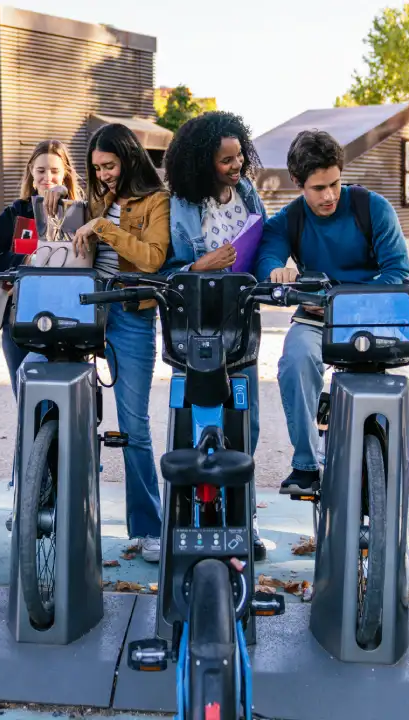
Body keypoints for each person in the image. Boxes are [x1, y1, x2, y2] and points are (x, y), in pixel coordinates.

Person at [254, 129, 409, 594]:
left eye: (335, 183)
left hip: (373, 321)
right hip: (317, 321)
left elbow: (398, 269)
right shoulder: (288, 221)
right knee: (294, 358)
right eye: (318, 187)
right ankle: (305, 462)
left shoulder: (371, 207)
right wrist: (280, 272)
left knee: (397, 437)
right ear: (297, 182)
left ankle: (406, 547)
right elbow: (268, 263)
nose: (330, 195)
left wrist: (342, 293)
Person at [41, 122, 169, 562]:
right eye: (96, 168)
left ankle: (149, 528)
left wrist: (105, 228)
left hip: (131, 315)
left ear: (129, 159)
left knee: (134, 424)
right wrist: (63, 202)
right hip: (85, 310)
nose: (103, 175)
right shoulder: (99, 196)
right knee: (65, 408)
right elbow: (81, 218)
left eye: (110, 166)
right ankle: (59, 512)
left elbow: (153, 258)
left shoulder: (158, 200)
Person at [161, 110, 270, 561]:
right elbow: (164, 272)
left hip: (239, 319)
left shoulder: (249, 194)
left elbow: (263, 245)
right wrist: (197, 266)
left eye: (239, 155)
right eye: (226, 160)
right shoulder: (182, 204)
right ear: (203, 163)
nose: (237, 166)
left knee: (247, 421)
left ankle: (246, 519)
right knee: (191, 424)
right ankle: (188, 517)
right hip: (193, 323)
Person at [0, 139, 82, 397]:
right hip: (19, 316)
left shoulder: (78, 213)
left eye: (55, 171)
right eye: (41, 170)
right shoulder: (16, 212)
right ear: (31, 173)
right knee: (24, 393)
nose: (48, 177)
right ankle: (33, 439)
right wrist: (25, 260)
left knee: (67, 392)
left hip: (68, 316)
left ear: (65, 174)